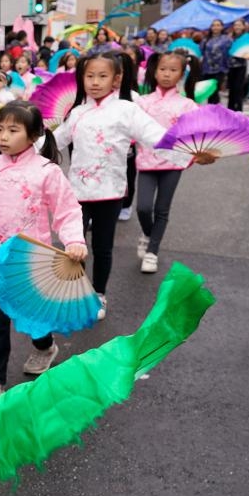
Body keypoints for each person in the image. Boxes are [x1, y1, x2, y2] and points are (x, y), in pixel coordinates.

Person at [52, 51, 208, 320]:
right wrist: (22, 145)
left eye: (102, 76)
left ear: (117, 79)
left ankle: (98, 293)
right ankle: (76, 291)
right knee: (73, 245)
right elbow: (55, 142)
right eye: (89, 76)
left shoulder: (127, 110)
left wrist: (193, 151)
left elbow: (158, 138)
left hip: (110, 192)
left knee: (102, 247)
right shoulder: (76, 112)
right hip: (76, 191)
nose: (95, 82)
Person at [0, 101, 87, 404]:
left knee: (34, 316)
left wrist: (74, 240)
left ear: (33, 135)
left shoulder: (47, 171)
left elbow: (67, 211)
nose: (3, 136)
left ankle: (45, 347)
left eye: (13, 130)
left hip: (33, 259)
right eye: (0, 129)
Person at [134, 51, 199, 274]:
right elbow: (132, 129)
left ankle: (152, 251)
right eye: (163, 69)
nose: (167, 74)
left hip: (174, 163)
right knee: (143, 208)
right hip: (147, 161)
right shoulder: (143, 102)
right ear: (154, 70)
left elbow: (197, 133)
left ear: (182, 73)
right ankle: (148, 233)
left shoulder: (188, 105)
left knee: (162, 209)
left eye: (173, 70)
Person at [200, 19, 232, 105]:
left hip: (220, 69)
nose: (215, 27)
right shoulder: (205, 39)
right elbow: (201, 52)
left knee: (215, 90)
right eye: (213, 25)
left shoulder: (227, 39)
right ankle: (211, 110)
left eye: (218, 25)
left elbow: (231, 52)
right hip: (207, 69)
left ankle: (216, 111)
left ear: (222, 27)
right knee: (209, 92)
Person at [226, 19, 249, 111]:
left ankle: (239, 112)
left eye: (239, 25)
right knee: (231, 91)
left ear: (244, 26)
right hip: (229, 67)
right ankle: (230, 111)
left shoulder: (246, 38)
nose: (237, 27)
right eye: (235, 25)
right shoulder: (229, 37)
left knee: (238, 90)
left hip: (240, 67)